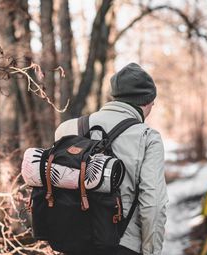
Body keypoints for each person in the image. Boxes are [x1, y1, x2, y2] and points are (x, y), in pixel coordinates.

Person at [55, 63, 168, 255]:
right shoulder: (148, 137)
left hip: (73, 242)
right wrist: (151, 252)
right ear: (147, 101)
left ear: (115, 96)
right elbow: (153, 204)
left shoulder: (67, 129)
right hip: (122, 245)